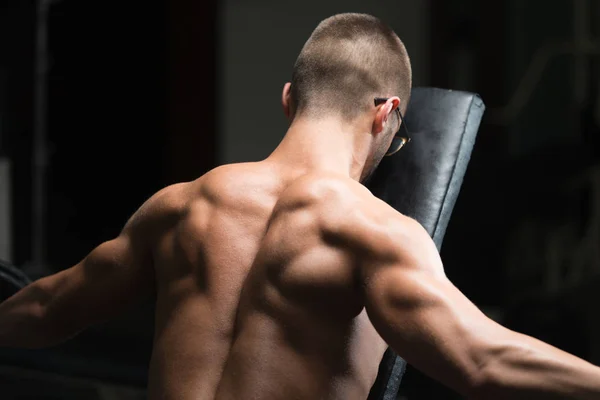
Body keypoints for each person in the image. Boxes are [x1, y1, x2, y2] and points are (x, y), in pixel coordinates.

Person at [1, 13, 600, 400]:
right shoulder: (369, 229)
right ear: (387, 113)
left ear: (289, 99)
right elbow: (482, 359)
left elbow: (48, 308)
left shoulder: (181, 206)